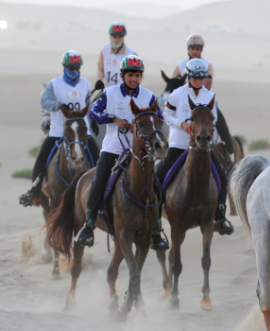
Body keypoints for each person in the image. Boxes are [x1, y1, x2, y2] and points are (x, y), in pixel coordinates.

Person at [75, 55, 169, 250]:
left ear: (141, 76)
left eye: (137, 75)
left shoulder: (149, 96)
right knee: (99, 179)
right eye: (130, 75)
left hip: (142, 150)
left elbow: (159, 120)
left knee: (156, 184)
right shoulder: (109, 93)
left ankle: (157, 229)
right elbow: (93, 113)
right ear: (122, 75)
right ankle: (89, 225)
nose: (133, 79)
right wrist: (113, 118)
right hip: (113, 148)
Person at [156, 58, 234, 235]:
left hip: (203, 148)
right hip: (178, 145)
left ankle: (220, 217)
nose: (198, 81)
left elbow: (212, 119)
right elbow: (165, 115)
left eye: (201, 77)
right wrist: (182, 125)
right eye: (195, 77)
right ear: (188, 77)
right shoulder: (177, 94)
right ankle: (155, 219)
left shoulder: (209, 97)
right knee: (159, 176)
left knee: (221, 177)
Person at [20, 51, 99, 206]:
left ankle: (100, 191)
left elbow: (88, 104)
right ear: (64, 67)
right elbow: (44, 101)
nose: (74, 71)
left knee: (97, 157)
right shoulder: (54, 84)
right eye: (71, 67)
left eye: (77, 68)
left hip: (82, 132)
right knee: (41, 159)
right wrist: (57, 106)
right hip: (58, 131)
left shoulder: (85, 84)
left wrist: (92, 119)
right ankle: (34, 190)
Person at [171, 34, 234, 159]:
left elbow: (207, 84)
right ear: (188, 49)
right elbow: (173, 84)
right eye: (192, 48)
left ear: (201, 50)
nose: (195, 51)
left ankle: (229, 150)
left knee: (220, 121)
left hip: (205, 102)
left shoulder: (208, 65)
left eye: (197, 49)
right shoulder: (180, 66)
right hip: (185, 101)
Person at [95, 22, 136, 92]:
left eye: (119, 36)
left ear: (123, 36)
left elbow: (138, 74)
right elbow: (100, 69)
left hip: (125, 93)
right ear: (110, 36)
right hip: (108, 92)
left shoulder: (131, 55)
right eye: (114, 36)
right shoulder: (105, 50)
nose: (117, 39)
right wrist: (99, 80)